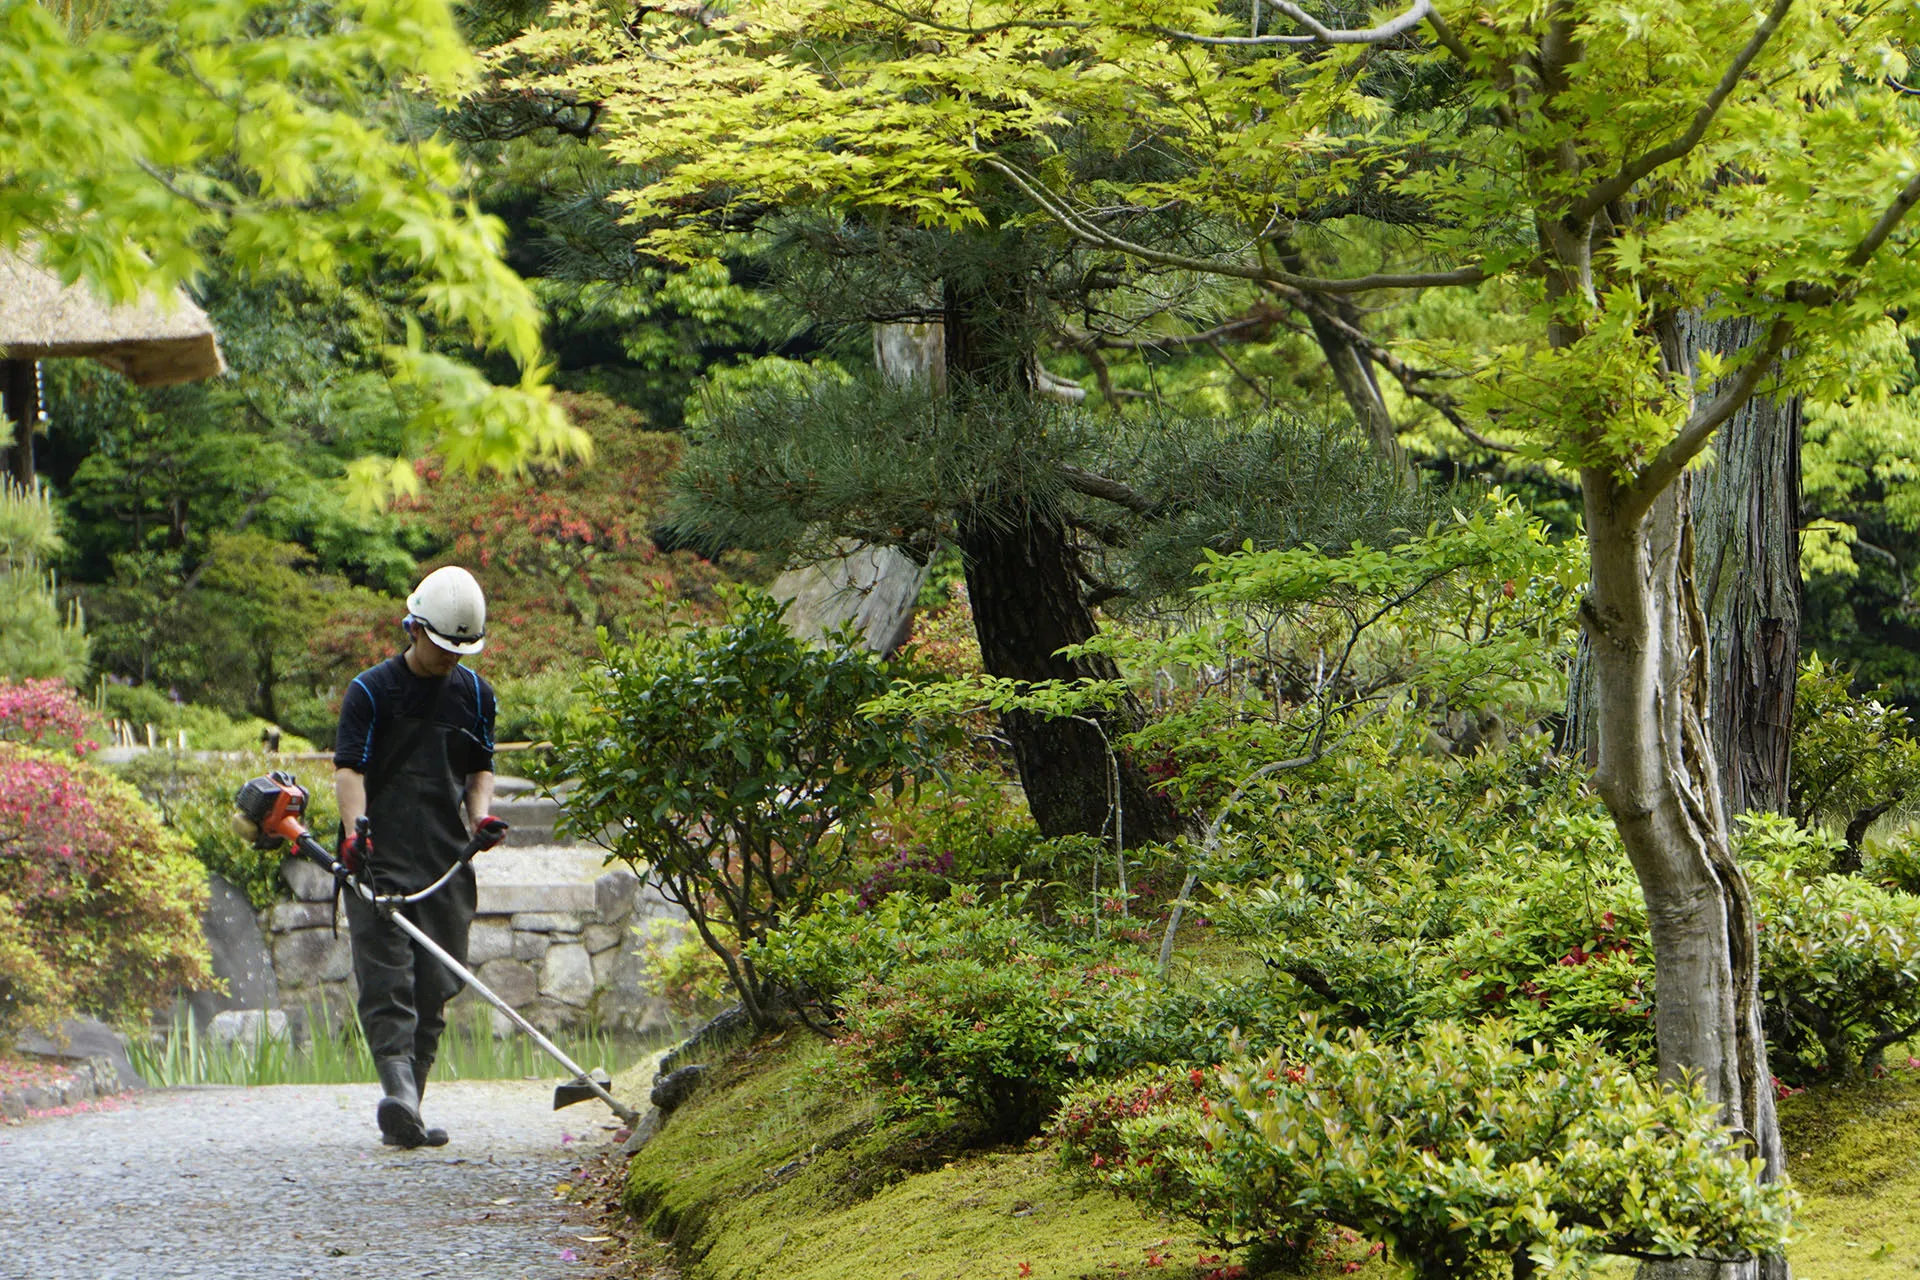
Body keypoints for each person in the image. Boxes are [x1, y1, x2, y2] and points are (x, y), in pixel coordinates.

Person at [333, 565, 497, 1149]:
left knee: (437, 981)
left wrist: (480, 821)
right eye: (444, 645)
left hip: (444, 858)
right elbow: (349, 768)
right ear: (414, 627)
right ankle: (399, 1093)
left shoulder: (475, 694)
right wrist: (356, 837)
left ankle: (411, 1109)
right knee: (388, 983)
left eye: (463, 648)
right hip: (377, 854)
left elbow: (480, 768)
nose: (452, 657)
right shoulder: (371, 691)